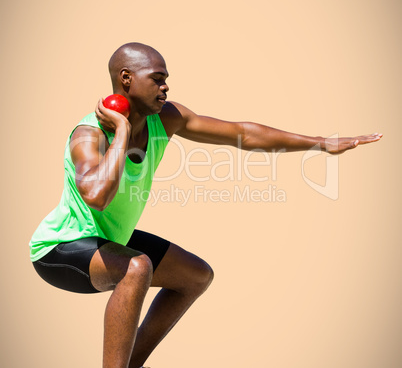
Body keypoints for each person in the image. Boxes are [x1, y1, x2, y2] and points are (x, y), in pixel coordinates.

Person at [29, 42, 382, 368]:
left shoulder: (165, 119)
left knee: (195, 276)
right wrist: (120, 131)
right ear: (126, 79)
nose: (166, 88)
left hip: (108, 242)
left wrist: (320, 143)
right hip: (58, 248)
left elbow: (243, 133)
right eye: (157, 80)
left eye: (166, 81)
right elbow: (97, 196)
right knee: (138, 267)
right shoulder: (88, 134)